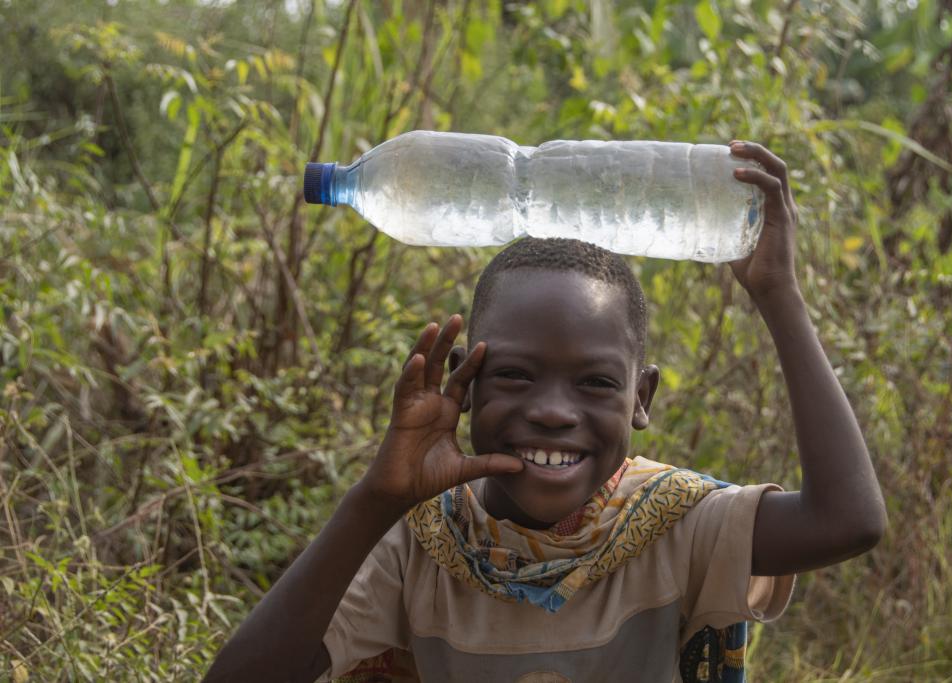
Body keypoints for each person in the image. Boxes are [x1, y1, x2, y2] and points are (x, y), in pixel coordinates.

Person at [204, 141, 887, 683]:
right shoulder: (420, 543)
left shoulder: (678, 524)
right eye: (514, 376)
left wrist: (778, 293)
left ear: (640, 397)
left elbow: (848, 521)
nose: (553, 412)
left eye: (593, 382)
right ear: (465, 386)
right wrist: (375, 498)